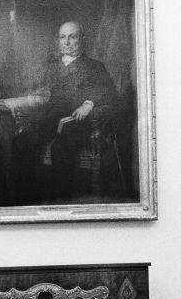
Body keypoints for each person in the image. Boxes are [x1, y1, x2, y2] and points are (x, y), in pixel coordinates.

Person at [14, 20, 118, 202]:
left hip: (77, 121)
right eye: (63, 37)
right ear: (58, 40)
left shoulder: (94, 66)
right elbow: (31, 87)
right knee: (22, 141)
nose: (67, 42)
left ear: (82, 39)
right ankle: (27, 200)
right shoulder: (51, 66)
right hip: (50, 118)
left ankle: (60, 203)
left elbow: (109, 93)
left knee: (61, 149)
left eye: (72, 37)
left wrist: (89, 104)